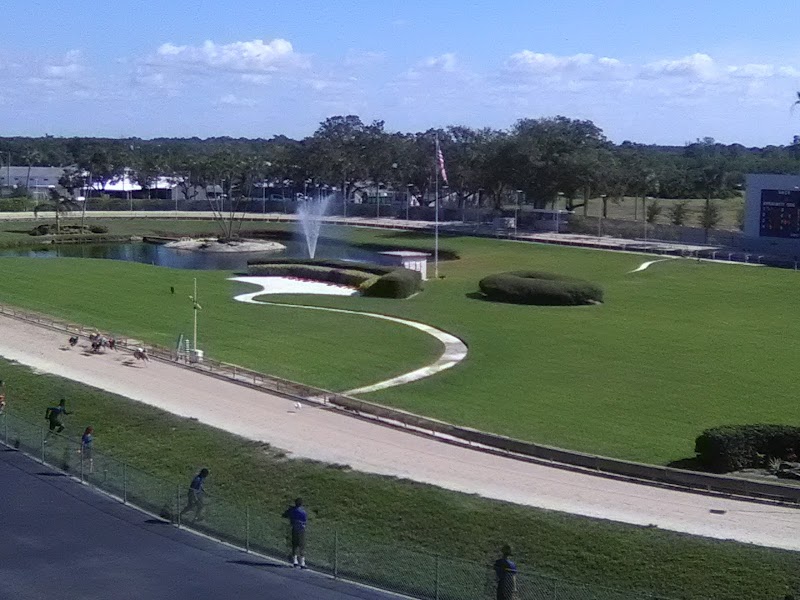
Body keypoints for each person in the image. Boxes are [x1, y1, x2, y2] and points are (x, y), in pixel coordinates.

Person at [282, 497, 308, 569]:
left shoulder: (292, 510)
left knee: (294, 545)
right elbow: (305, 520)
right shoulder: (303, 512)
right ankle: (302, 562)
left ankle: (295, 561)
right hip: (301, 529)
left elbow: (285, 515)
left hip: (294, 528)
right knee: (301, 545)